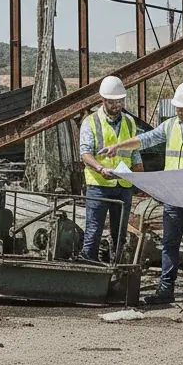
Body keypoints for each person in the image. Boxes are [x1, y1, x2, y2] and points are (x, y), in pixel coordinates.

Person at [99, 80, 183, 306]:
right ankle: (166, 290)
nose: (179, 112)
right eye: (177, 108)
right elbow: (145, 140)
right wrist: (118, 147)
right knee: (169, 244)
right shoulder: (171, 126)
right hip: (174, 195)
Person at [77, 75, 143, 263]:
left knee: (120, 232)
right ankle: (89, 265)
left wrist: (139, 173)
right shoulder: (91, 122)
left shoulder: (129, 122)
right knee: (94, 230)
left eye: (120, 101)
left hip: (123, 185)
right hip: (99, 185)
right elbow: (85, 154)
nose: (117, 105)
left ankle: (116, 267)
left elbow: (134, 151)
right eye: (113, 102)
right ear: (103, 100)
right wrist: (99, 168)